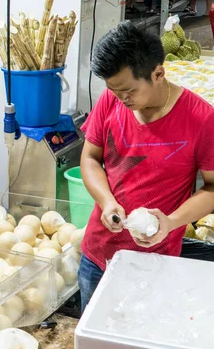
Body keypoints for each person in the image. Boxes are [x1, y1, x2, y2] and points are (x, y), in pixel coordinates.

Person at [78, 21, 214, 313]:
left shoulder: (201, 119)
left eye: (128, 91)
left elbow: (213, 189)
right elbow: (90, 158)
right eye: (114, 92)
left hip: (155, 262)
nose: (121, 100)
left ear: (158, 73)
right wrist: (107, 201)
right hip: (98, 256)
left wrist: (171, 222)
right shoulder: (111, 102)